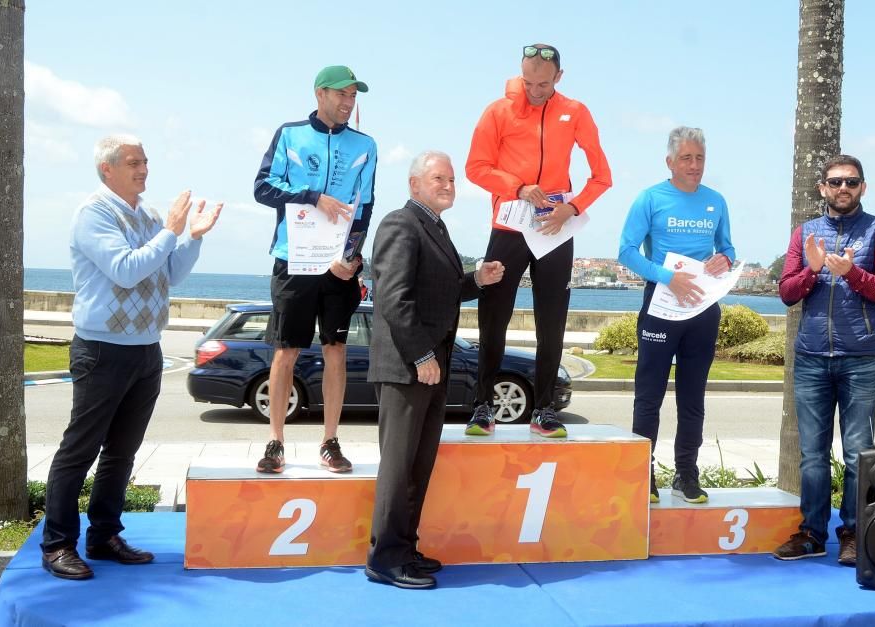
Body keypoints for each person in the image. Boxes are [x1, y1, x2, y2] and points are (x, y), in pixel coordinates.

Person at [40, 134, 222, 580]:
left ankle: (103, 536)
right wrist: (171, 231)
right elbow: (125, 270)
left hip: (146, 349)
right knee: (78, 451)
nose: (143, 169)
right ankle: (58, 543)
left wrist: (192, 238)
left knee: (123, 452)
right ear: (107, 169)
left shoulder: (152, 216)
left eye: (145, 161)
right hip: (102, 349)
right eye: (133, 162)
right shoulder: (94, 213)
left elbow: (169, 272)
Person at [365, 151, 504, 589]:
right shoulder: (399, 224)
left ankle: (404, 549)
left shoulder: (436, 228)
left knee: (418, 466)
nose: (448, 185)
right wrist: (422, 355)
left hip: (430, 365)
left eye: (451, 179)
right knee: (398, 466)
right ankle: (384, 559)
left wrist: (476, 281)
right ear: (414, 184)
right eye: (438, 178)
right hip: (408, 367)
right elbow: (393, 297)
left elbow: (437, 292)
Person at [464, 43, 611, 438]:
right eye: (528, 82)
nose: (534, 90)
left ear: (558, 78)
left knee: (552, 321)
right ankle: (482, 407)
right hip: (509, 226)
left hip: (555, 230)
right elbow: (475, 168)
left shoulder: (575, 112)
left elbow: (602, 176)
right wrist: (518, 186)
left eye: (543, 84)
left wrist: (574, 208)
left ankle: (544, 409)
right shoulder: (498, 111)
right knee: (493, 318)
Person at [772, 155, 875, 565]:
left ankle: (852, 533)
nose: (842, 188)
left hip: (861, 357)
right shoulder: (806, 233)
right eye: (835, 182)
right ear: (822, 188)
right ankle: (811, 533)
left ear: (863, 187)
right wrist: (812, 271)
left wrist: (851, 274)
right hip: (811, 358)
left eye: (851, 181)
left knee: (857, 452)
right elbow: (788, 293)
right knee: (812, 454)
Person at [253, 65, 377, 474]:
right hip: (294, 259)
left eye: (353, 97)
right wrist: (313, 196)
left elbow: (365, 208)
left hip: (338, 266)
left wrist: (354, 257)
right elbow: (263, 188)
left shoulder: (366, 145)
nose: (347, 102)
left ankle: (330, 441)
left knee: (336, 349)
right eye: (342, 94)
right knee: (286, 350)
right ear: (320, 93)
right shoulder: (290, 134)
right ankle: (275, 442)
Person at [617, 127, 735, 505]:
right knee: (648, 394)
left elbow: (728, 247)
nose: (694, 165)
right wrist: (669, 277)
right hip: (661, 305)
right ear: (669, 162)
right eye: (686, 158)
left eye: (700, 158)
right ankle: (643, 473)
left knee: (692, 397)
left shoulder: (716, 201)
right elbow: (626, 251)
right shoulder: (651, 198)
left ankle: (686, 473)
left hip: (702, 309)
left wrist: (725, 259)